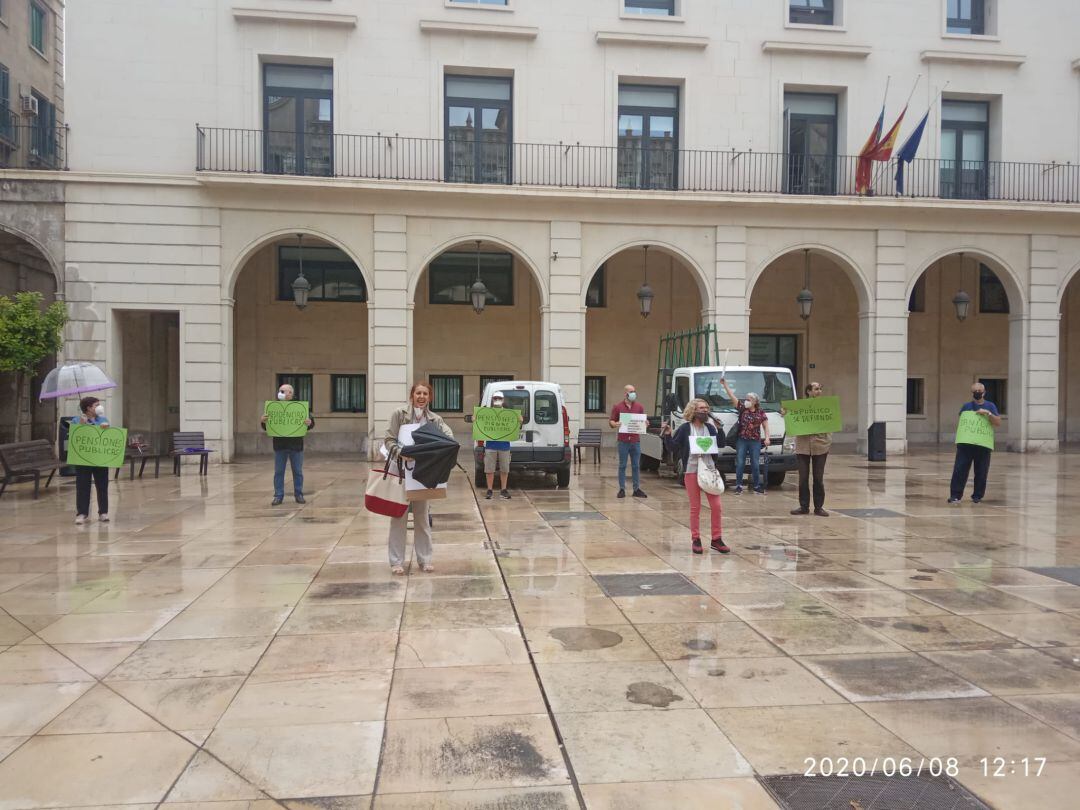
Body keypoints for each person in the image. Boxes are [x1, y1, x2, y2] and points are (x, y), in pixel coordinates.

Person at [384, 381, 455, 575]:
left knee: (422, 518)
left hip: (422, 474)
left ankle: (425, 560)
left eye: (425, 393)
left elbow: (449, 437)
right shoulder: (399, 414)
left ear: (430, 397)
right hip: (401, 472)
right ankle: (396, 561)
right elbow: (388, 438)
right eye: (418, 393)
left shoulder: (434, 419)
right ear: (412, 395)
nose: (421, 397)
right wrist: (400, 452)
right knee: (398, 517)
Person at [666, 398, 730, 555]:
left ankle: (717, 539)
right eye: (701, 408)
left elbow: (721, 444)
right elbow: (674, 447)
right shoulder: (685, 429)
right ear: (693, 410)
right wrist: (667, 435)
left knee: (717, 506)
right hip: (692, 470)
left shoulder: (710, 427)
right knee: (695, 507)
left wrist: (720, 429)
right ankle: (696, 539)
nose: (705, 411)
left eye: (707, 408)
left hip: (709, 470)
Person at [260, 383, 314, 506]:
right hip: (280, 445)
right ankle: (278, 496)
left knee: (298, 471)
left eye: (284, 391)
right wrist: (263, 421)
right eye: (280, 391)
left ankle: (298, 494)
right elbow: (267, 426)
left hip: (296, 445)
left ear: (291, 393)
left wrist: (309, 422)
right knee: (279, 472)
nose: (281, 393)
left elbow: (311, 423)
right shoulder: (273, 407)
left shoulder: (300, 407)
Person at [948, 382, 1002, 504]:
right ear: (972, 393)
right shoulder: (966, 406)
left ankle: (977, 496)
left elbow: (998, 422)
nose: (977, 393)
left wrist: (988, 414)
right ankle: (955, 495)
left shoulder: (990, 406)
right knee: (959, 469)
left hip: (983, 445)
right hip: (966, 445)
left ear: (984, 392)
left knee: (981, 471)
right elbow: (962, 420)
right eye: (975, 391)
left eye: (979, 391)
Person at [786, 381, 832, 517]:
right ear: (809, 392)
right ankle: (803, 506)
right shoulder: (800, 407)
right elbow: (790, 417)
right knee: (803, 478)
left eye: (820, 388)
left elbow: (831, 423)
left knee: (818, 478)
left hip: (820, 446)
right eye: (816, 389)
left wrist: (828, 440)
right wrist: (785, 413)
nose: (819, 391)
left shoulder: (826, 406)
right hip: (803, 446)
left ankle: (819, 507)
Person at [721, 377, 770, 494]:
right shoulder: (742, 409)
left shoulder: (761, 412)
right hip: (742, 440)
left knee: (755, 463)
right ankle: (739, 485)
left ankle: (757, 486)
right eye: (746, 399)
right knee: (740, 463)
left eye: (749, 399)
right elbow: (732, 396)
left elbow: (765, 426)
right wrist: (725, 385)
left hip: (755, 441)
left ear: (755, 402)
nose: (746, 401)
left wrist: (767, 438)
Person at [72, 396, 110, 525]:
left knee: (102, 485)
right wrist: (81, 425)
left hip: (100, 459)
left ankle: (103, 512)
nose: (99, 407)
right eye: (96, 405)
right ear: (88, 408)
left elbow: (110, 438)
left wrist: (107, 429)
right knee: (83, 486)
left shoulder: (103, 420)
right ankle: (82, 513)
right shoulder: (76, 420)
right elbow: (74, 438)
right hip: (83, 459)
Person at [609, 384, 647, 499]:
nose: (633, 393)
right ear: (625, 393)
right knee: (622, 465)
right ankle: (622, 489)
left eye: (634, 391)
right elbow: (611, 421)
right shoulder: (618, 407)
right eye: (631, 391)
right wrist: (615, 424)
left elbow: (643, 421)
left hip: (635, 441)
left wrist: (645, 423)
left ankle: (636, 489)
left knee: (636, 465)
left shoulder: (639, 407)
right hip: (623, 441)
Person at [484, 391, 521, 501]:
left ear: (503, 400)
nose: (497, 400)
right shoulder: (486, 413)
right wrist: (475, 419)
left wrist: (520, 421)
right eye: (495, 398)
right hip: (490, 445)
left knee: (505, 468)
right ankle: (489, 490)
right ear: (492, 399)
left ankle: (503, 490)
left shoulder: (509, 414)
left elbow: (516, 426)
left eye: (499, 398)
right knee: (489, 469)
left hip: (504, 445)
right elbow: (479, 424)